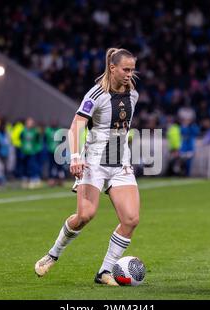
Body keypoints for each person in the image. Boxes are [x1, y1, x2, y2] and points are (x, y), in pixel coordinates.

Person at [35, 48, 140, 286]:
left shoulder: (133, 93)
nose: (130, 74)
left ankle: (104, 272)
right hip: (93, 161)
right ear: (112, 68)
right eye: (126, 69)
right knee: (85, 215)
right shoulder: (96, 94)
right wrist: (74, 156)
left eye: (132, 70)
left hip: (120, 161)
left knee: (131, 219)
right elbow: (77, 125)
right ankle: (53, 254)